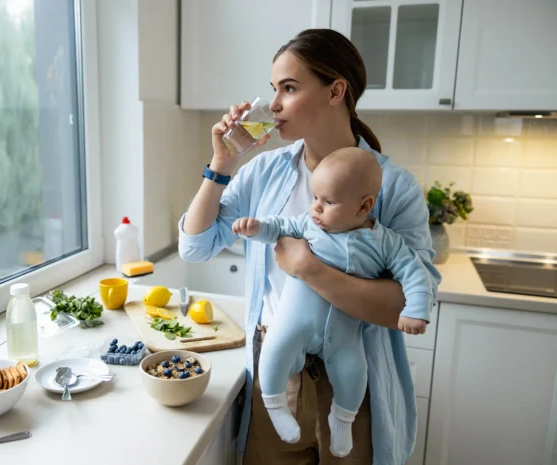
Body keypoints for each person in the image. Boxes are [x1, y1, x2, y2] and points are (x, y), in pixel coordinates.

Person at [178, 28, 442, 465]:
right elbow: (196, 246)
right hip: (276, 374)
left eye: (290, 88)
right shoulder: (264, 172)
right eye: (273, 90)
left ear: (336, 90)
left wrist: (309, 269)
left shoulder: (391, 187)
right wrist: (221, 165)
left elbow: (410, 302)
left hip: (355, 382)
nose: (275, 104)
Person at [231, 147, 432, 457]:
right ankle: (275, 405)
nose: (316, 208)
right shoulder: (308, 224)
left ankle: (342, 419)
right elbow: (278, 227)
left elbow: (415, 274)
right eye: (314, 197)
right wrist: (256, 228)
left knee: (354, 372)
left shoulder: (385, 241)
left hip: (343, 333)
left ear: (364, 205)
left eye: (329, 201)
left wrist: (415, 311)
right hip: (294, 324)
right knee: (274, 352)